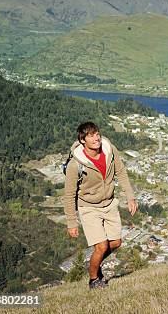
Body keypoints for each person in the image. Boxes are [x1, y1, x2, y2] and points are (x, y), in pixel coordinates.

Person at [63, 122, 138, 289]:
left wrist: (130, 196)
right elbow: (68, 196)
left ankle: (94, 266)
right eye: (91, 135)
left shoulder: (109, 150)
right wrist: (71, 222)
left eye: (97, 133)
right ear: (83, 140)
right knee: (101, 245)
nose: (96, 137)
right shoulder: (75, 165)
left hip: (109, 203)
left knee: (116, 242)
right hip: (89, 207)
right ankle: (93, 280)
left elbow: (121, 172)